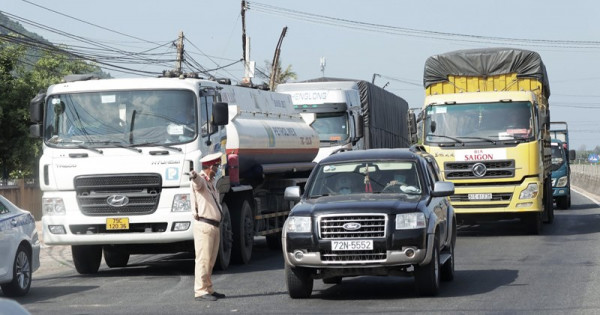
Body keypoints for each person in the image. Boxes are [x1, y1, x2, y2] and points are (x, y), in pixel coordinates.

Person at [189, 152, 226, 302]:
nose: (217, 169)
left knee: (210, 260)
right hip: (204, 225)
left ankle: (208, 288)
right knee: (203, 260)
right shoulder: (202, 181)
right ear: (210, 167)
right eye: (216, 166)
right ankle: (200, 291)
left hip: (213, 226)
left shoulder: (210, 182)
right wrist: (194, 175)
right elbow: (197, 182)